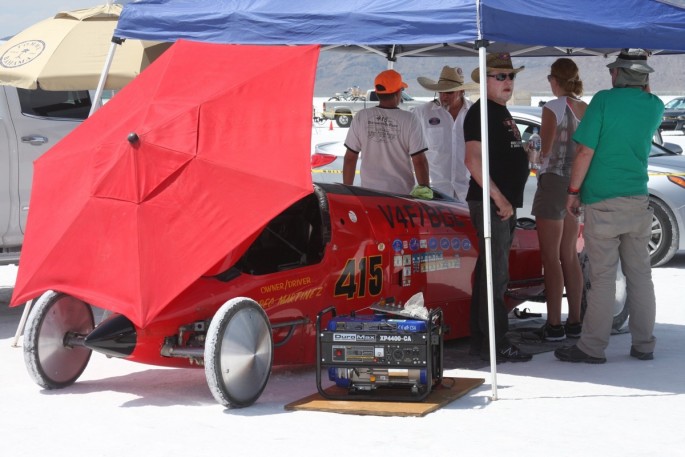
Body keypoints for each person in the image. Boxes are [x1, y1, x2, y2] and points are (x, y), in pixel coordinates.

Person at [555, 49, 664, 364]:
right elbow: (643, 98)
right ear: (644, 77)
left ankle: (592, 347)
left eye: (614, 70)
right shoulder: (654, 106)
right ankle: (644, 344)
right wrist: (640, 78)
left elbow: (585, 152)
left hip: (603, 200)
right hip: (638, 199)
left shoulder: (603, 100)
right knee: (640, 275)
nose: (610, 75)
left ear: (620, 74)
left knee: (603, 277)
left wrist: (573, 191)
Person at [463, 53, 532, 362]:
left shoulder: (499, 111)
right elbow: (473, 161)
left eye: (511, 76)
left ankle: (483, 338)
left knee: (490, 272)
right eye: (500, 77)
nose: (508, 82)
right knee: (496, 274)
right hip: (491, 202)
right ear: (485, 80)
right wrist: (499, 198)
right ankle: (496, 340)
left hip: (500, 202)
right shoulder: (481, 112)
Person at [529, 58, 586, 341]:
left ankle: (553, 325)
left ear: (555, 80)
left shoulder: (552, 108)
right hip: (575, 184)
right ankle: (575, 320)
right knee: (570, 257)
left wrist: (531, 149)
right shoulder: (583, 107)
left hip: (553, 182)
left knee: (550, 258)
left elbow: (546, 149)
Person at [343, 69, 430, 195]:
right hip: (401, 196)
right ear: (398, 92)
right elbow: (419, 161)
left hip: (369, 195)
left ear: (377, 93)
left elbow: (350, 159)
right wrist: (425, 192)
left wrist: (347, 192)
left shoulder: (361, 117)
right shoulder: (410, 119)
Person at [413, 66, 477, 201]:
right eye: (441, 92)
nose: (444, 96)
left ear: (461, 91)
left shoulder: (475, 113)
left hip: (468, 190)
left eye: (449, 92)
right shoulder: (422, 113)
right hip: (434, 190)